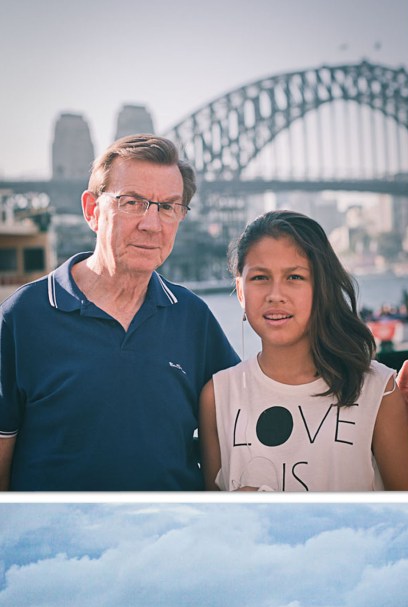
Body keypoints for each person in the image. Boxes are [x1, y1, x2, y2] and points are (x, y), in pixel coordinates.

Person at [0, 134, 239, 490]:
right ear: (92, 210)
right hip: (61, 542)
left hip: (172, 540)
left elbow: (245, 416)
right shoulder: (23, 318)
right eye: (132, 202)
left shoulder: (193, 318)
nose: (152, 224)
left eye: (169, 206)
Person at [199, 210, 408, 491]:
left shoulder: (377, 390)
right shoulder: (216, 397)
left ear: (321, 288)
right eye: (260, 278)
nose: (275, 294)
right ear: (240, 292)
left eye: (294, 277)